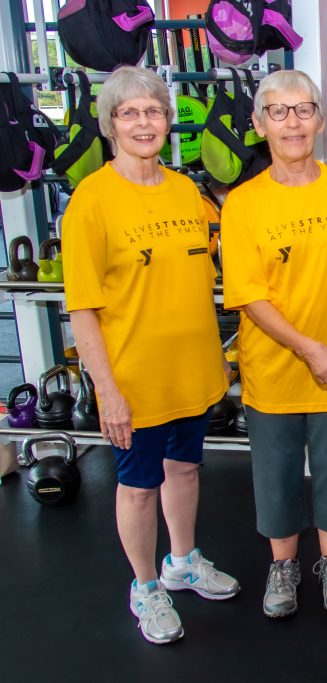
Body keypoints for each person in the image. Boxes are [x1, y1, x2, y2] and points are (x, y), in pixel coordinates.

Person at [63, 66, 238, 645]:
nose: (144, 122)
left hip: (191, 369)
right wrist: (107, 390)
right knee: (138, 487)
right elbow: (83, 308)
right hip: (133, 378)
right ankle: (144, 587)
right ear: (110, 124)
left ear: (168, 120)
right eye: (130, 113)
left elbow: (206, 276)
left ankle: (182, 562)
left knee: (183, 468)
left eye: (154, 111)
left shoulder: (187, 191)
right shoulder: (91, 201)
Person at [221, 70, 327, 618]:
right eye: (278, 112)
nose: (292, 123)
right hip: (276, 363)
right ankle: (282, 565)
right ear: (259, 124)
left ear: (322, 119)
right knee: (276, 473)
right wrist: (308, 348)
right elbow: (249, 297)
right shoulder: (242, 204)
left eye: (304, 109)